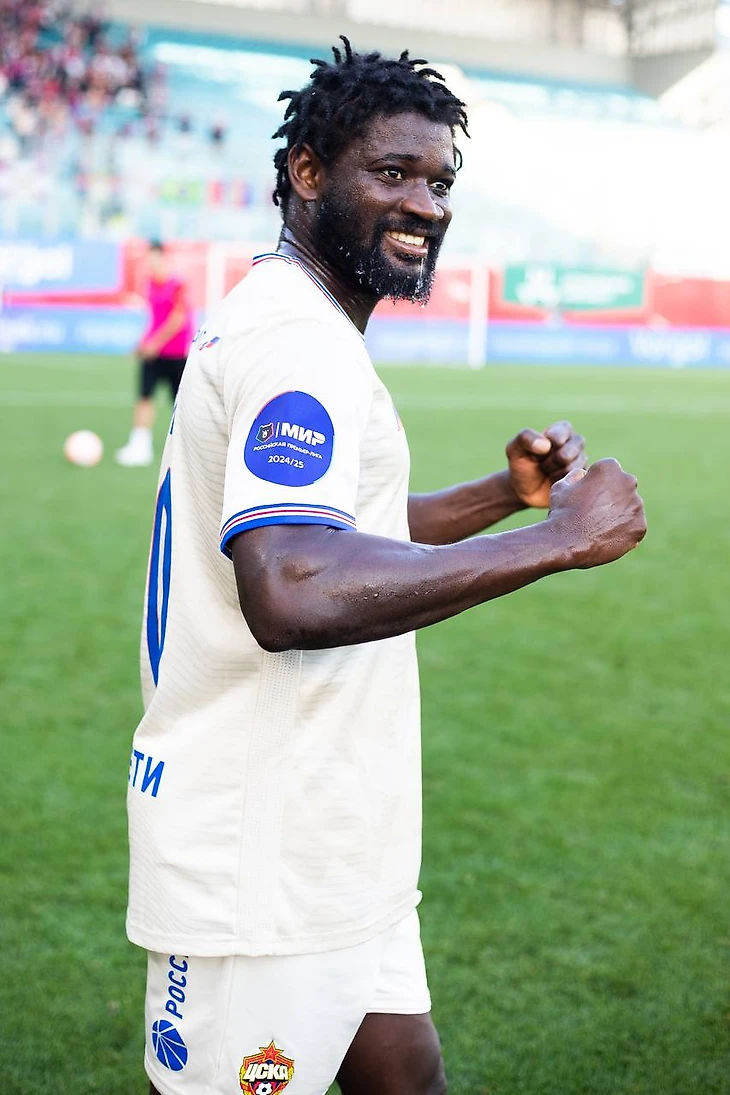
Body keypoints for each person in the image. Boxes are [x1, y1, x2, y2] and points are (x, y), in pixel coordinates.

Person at [127, 38, 646, 1095]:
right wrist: (558, 541)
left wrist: (504, 495)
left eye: (440, 181)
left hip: (335, 835)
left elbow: (341, 526)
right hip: (263, 848)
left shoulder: (295, 319)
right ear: (307, 171)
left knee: (407, 1080)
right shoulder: (296, 341)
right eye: (393, 172)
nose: (425, 204)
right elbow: (291, 585)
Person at [116, 240, 194, 467]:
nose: (150, 263)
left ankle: (188, 449)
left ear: (162, 257)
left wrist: (155, 343)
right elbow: (154, 318)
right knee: (144, 396)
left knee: (180, 403)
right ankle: (140, 446)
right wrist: (143, 343)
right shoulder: (149, 283)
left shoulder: (177, 284)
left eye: (153, 258)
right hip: (153, 354)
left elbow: (178, 319)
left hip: (176, 353)